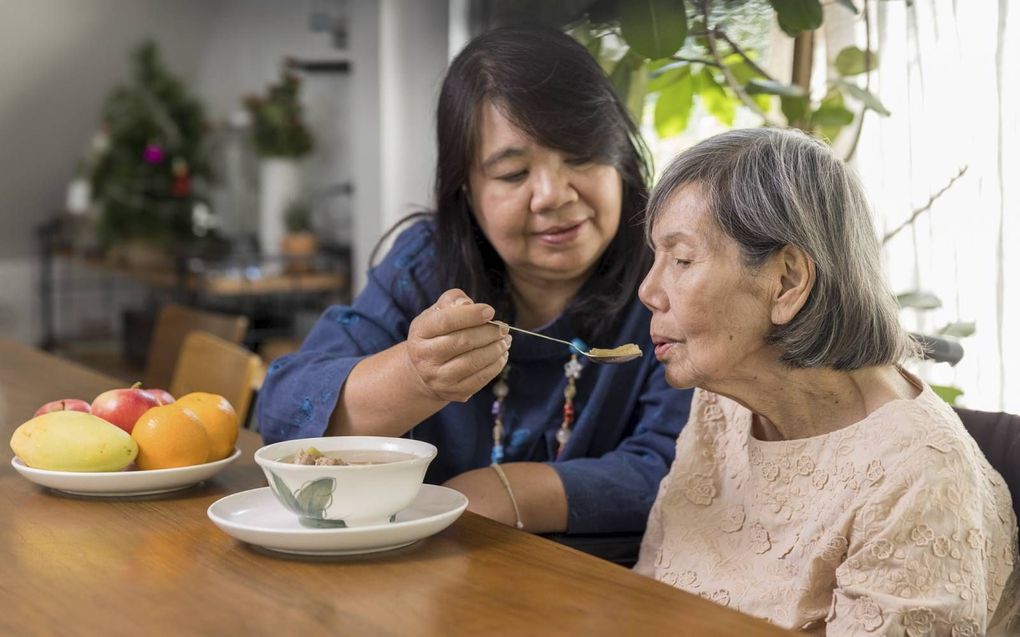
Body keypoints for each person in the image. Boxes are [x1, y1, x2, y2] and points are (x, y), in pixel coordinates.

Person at [256, 25, 693, 537]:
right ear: (466, 188)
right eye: (512, 174)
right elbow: (285, 413)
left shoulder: (672, 277)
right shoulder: (426, 264)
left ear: (620, 156)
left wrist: (499, 493)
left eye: (580, 155)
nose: (552, 194)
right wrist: (415, 376)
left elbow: (678, 466)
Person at [635, 128, 1018, 634]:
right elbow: (648, 594)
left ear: (788, 281)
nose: (648, 290)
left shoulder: (919, 475)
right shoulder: (722, 406)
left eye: (681, 260)